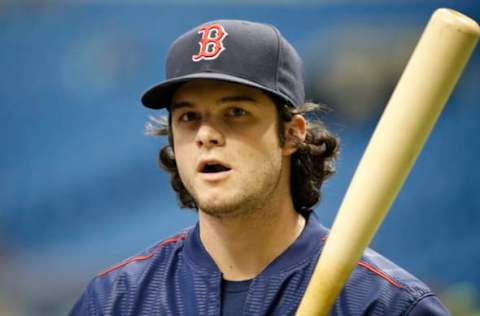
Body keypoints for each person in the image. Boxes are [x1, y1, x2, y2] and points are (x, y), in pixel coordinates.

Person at [70, 19, 450, 315]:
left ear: (292, 135)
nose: (206, 134)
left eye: (236, 112)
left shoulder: (384, 305)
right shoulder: (116, 301)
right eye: (188, 117)